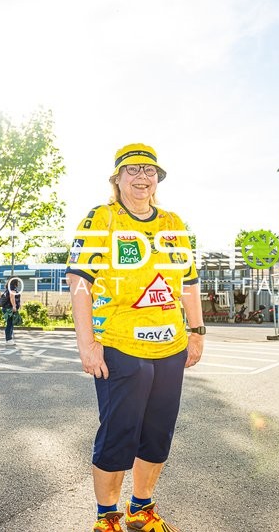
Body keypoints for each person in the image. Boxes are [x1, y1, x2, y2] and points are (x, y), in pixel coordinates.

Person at [65, 143, 204, 532]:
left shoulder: (173, 224)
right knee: (119, 432)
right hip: (120, 344)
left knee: (158, 432)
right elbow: (79, 283)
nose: (142, 178)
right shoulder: (102, 218)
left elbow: (189, 282)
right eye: (133, 171)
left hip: (171, 345)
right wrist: (86, 344)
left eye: (150, 172)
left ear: (157, 179)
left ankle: (141, 510)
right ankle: (106, 517)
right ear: (117, 178)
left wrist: (196, 332)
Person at [0, 279, 20, 346]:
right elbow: (12, 296)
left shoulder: (7, 289)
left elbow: (4, 298)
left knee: (10, 323)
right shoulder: (12, 288)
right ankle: (8, 339)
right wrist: (14, 306)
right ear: (15, 282)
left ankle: (9, 339)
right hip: (9, 308)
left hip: (6, 308)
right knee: (10, 323)